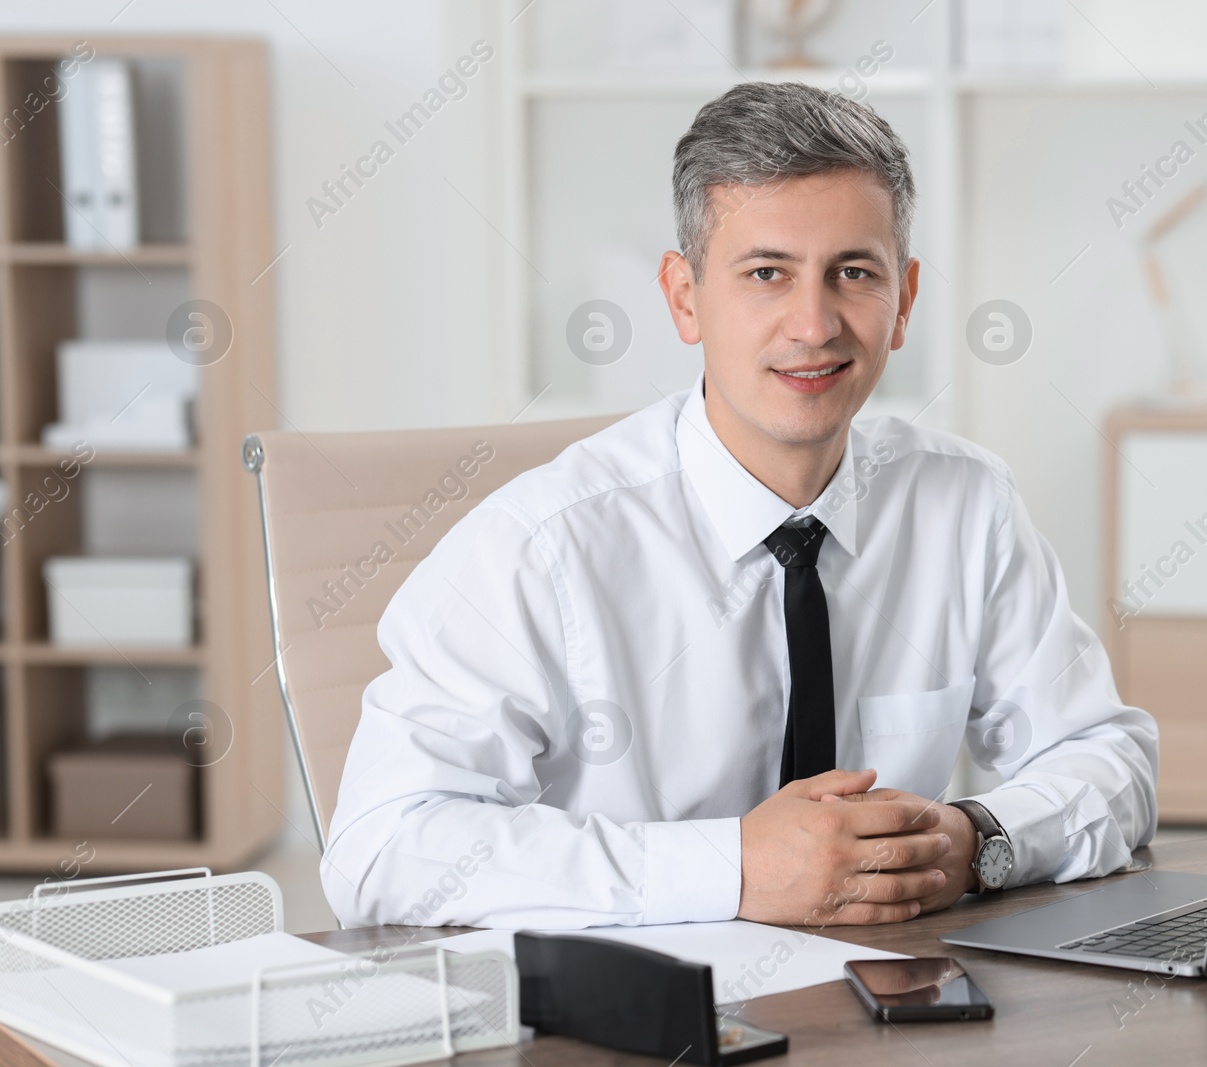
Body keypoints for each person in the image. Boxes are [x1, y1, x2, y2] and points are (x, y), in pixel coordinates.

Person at [321, 81, 1158, 931]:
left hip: (893, 1004)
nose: (813, 323)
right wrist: (735, 868)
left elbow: (1109, 757)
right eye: (767, 273)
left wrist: (978, 840)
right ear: (684, 297)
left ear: (903, 301)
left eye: (853, 273)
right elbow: (382, 849)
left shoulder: (965, 503)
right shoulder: (538, 547)